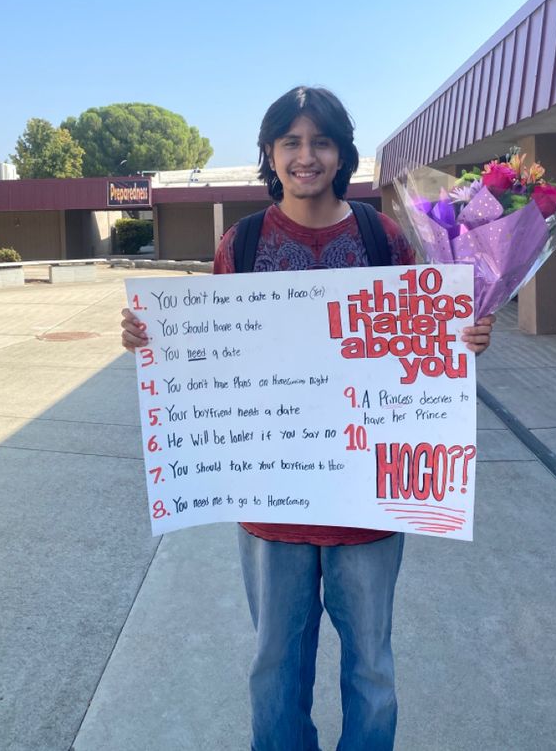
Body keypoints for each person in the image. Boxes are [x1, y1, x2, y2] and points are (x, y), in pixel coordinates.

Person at [122, 86, 494, 751]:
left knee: (372, 667)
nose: (305, 155)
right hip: (274, 506)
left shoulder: (383, 238)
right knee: (274, 667)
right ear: (270, 152)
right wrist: (156, 340)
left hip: (370, 504)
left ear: (342, 151)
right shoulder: (244, 242)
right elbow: (215, 353)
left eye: (320, 140)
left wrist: (462, 337)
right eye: (290, 141)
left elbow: (425, 351)